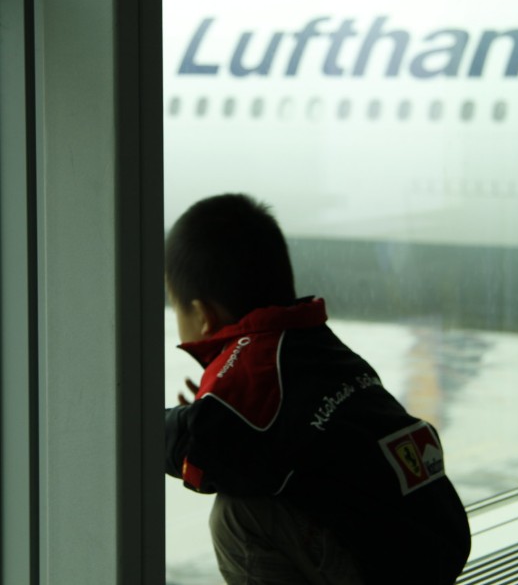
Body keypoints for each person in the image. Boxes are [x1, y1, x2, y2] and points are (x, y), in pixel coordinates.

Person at [165, 193, 471, 585]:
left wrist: (146, 423)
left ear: (202, 315)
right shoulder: (314, 344)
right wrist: (219, 406)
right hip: (434, 539)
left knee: (237, 515)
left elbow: (200, 445)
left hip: (391, 569)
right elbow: (266, 431)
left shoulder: (257, 362)